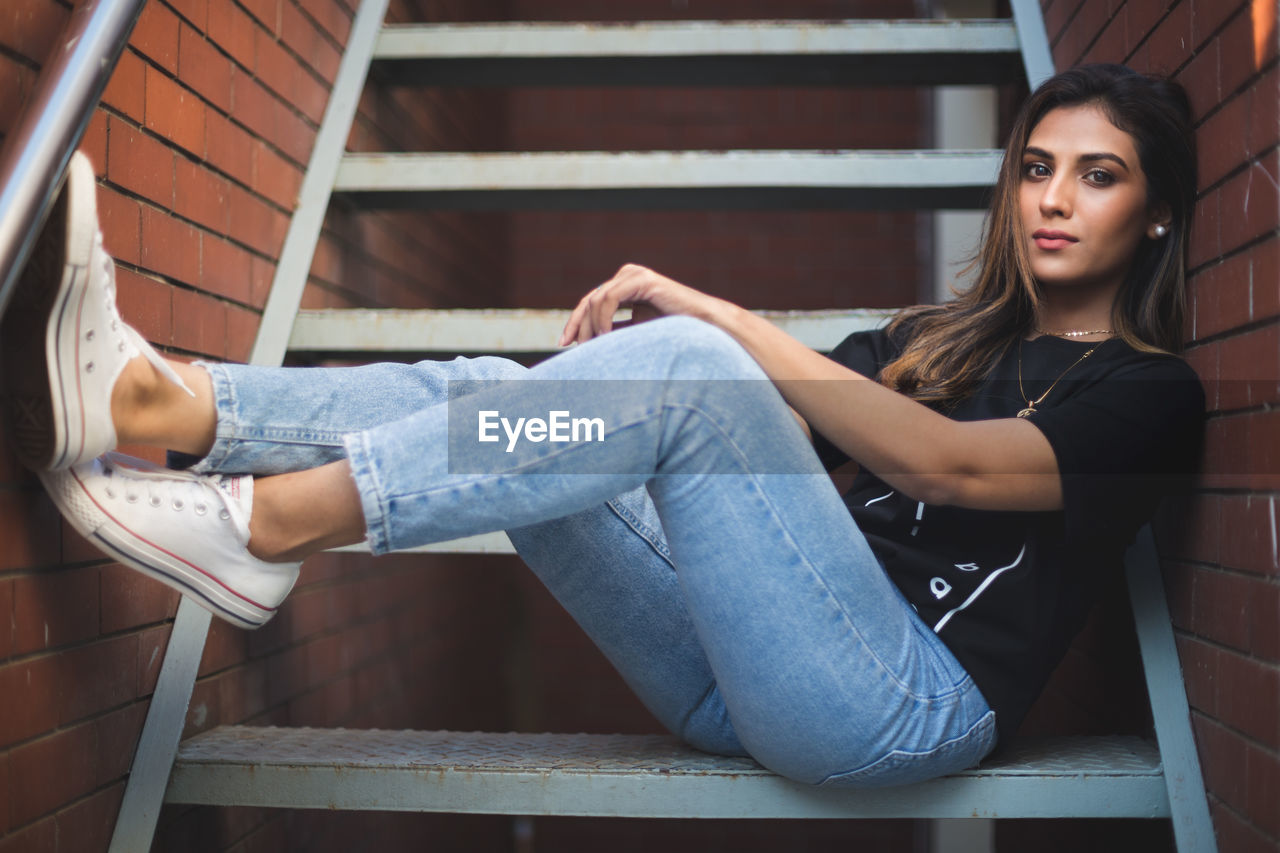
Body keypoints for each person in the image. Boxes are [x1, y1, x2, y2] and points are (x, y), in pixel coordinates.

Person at [1, 64, 1204, 788]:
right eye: (1036, 167)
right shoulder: (939, 342)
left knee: (687, 364)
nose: (1051, 198)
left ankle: (265, 526)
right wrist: (610, 394)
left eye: (1096, 175)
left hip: (899, 705)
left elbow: (942, 462)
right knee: (490, 384)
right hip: (734, 661)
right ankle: (163, 405)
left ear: (1153, 213)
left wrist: (718, 316)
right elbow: (744, 433)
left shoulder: (1149, 396)